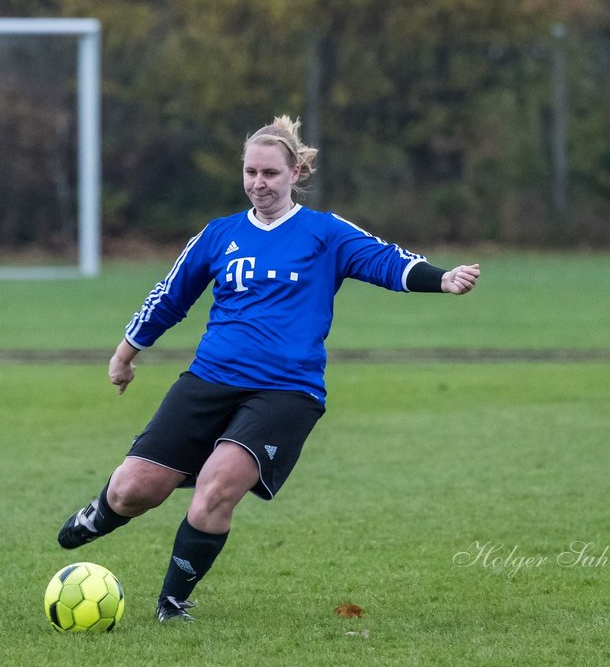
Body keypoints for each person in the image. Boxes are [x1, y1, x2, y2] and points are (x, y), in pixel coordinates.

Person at [57, 115, 480, 623]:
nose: (259, 183)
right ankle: (101, 513)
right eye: (250, 172)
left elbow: (386, 261)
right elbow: (169, 296)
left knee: (217, 486)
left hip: (287, 391)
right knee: (134, 489)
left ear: (296, 172)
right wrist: (126, 354)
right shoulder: (220, 235)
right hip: (211, 378)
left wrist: (442, 279)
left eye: (271, 174)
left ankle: (172, 602)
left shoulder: (325, 233)